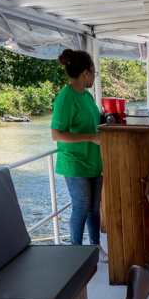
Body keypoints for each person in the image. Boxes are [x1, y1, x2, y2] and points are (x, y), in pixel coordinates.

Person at [51, 48, 108, 263]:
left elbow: (92, 124)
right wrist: (90, 138)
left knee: (94, 209)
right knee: (81, 207)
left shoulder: (87, 95)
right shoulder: (65, 98)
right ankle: (75, 253)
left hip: (93, 160)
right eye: (94, 72)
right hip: (75, 163)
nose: (95, 76)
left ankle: (95, 248)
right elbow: (56, 134)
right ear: (85, 73)